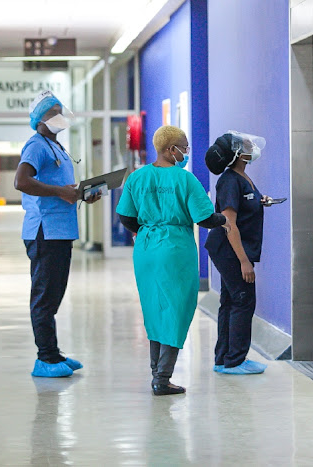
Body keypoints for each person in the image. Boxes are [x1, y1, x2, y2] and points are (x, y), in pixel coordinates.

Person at [116, 125, 229, 396]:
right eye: (185, 147)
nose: (187, 152)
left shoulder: (137, 178)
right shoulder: (185, 180)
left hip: (145, 249)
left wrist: (146, 228)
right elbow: (204, 218)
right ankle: (163, 378)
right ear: (171, 150)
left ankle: (157, 373)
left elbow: (126, 217)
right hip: (174, 250)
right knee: (176, 311)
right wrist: (225, 218)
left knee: (155, 309)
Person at [14, 90, 102, 378]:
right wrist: (60, 192)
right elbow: (22, 181)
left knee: (53, 295)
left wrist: (81, 194)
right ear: (40, 119)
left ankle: (54, 353)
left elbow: (62, 190)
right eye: (52, 113)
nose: (59, 117)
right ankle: (45, 359)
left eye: (59, 111)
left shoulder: (57, 147)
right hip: (44, 231)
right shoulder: (36, 146)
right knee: (43, 296)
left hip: (61, 232)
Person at [204, 131, 272, 375]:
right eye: (244, 144)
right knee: (243, 300)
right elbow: (229, 224)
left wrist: (259, 201)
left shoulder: (242, 177)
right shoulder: (230, 180)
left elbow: (245, 204)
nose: (251, 145)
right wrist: (245, 262)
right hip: (230, 250)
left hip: (231, 249)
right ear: (236, 154)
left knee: (230, 301)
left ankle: (223, 359)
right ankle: (235, 360)